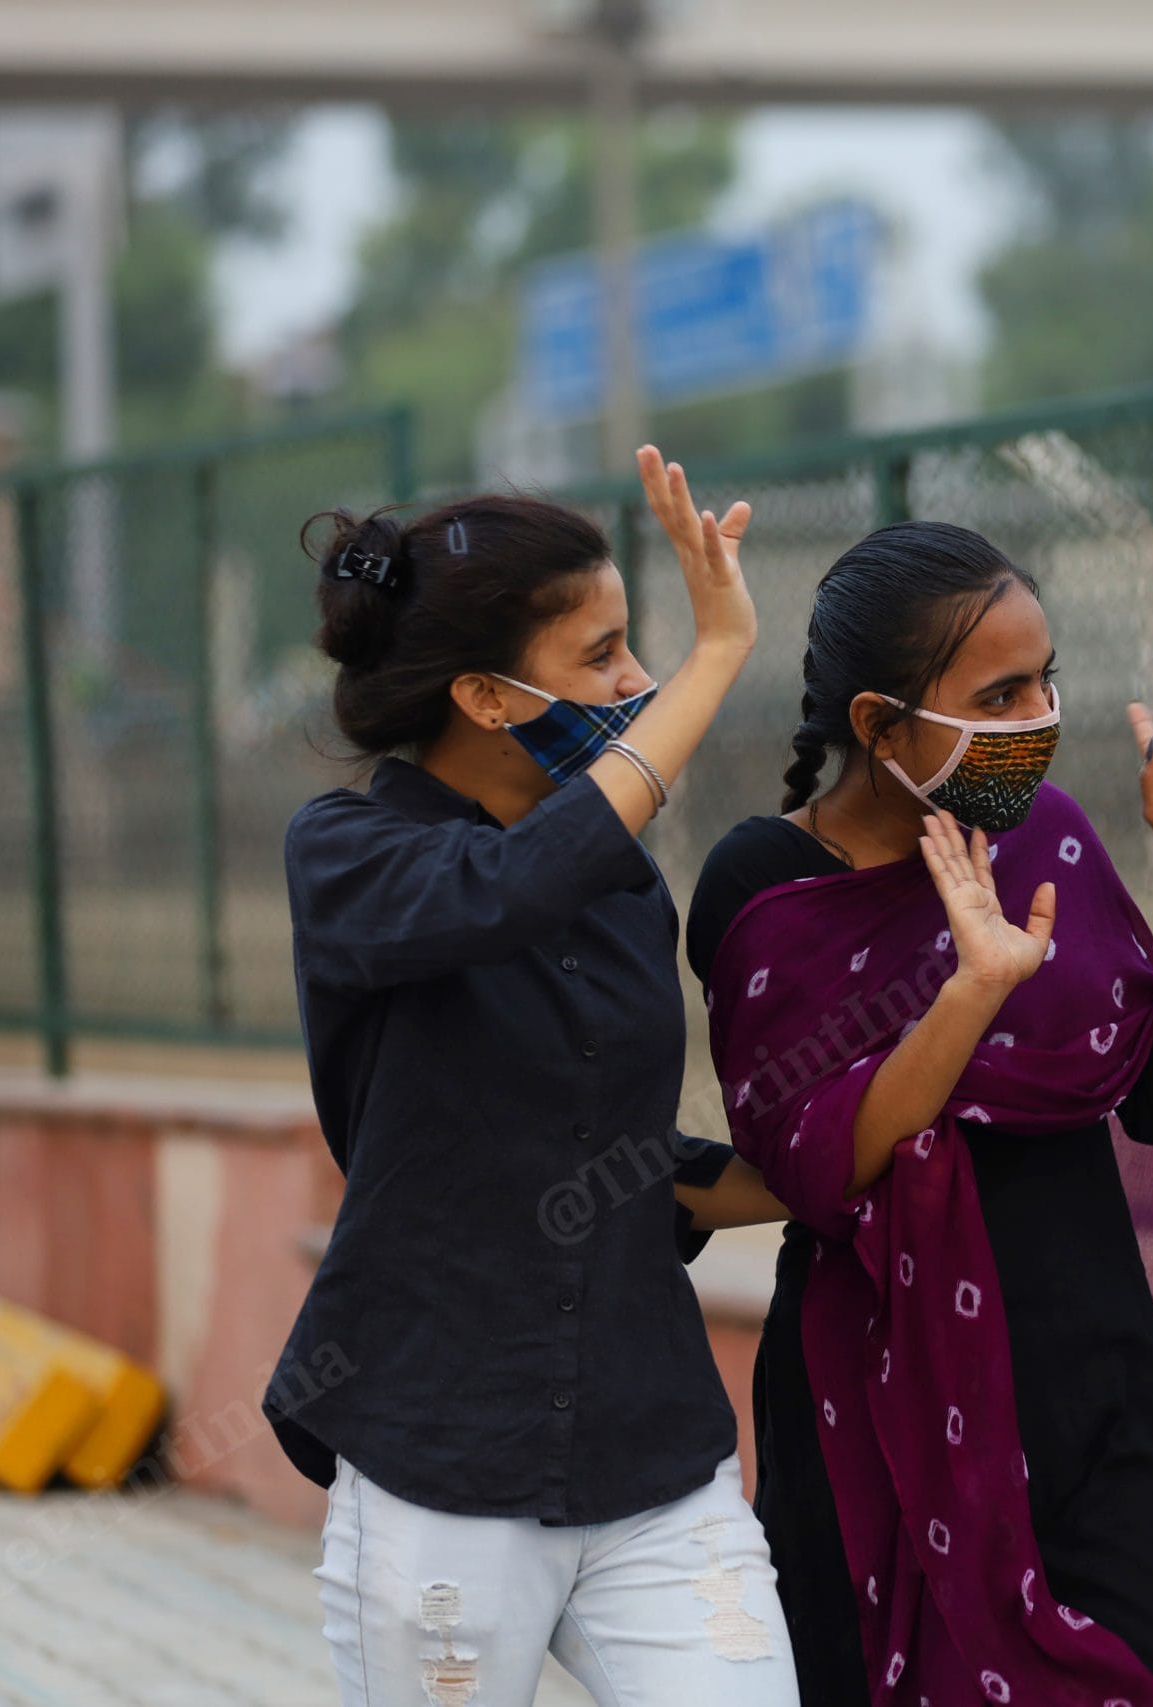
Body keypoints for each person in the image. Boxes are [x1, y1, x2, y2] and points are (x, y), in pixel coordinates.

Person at [684, 521, 1153, 1707]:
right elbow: (825, 1162)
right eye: (999, 692)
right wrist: (968, 994)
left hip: (1093, 1379)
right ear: (876, 723)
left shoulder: (1045, 840)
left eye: (1044, 682)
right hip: (883, 1385)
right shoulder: (768, 887)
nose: (1037, 717)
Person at [264, 450, 801, 1707]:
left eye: (644, 650)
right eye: (603, 654)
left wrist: (845, 1160)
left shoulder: (622, 885)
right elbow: (503, 891)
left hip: (654, 1458)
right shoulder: (348, 854)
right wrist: (721, 655)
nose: (638, 682)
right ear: (487, 698)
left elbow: (607, 1151)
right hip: (434, 1460)